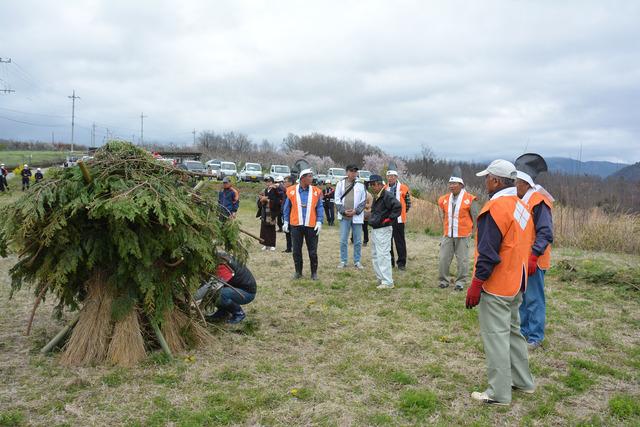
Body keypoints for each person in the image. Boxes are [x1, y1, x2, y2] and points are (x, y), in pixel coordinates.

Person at [466, 159, 535, 406]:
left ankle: (498, 393)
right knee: (514, 333)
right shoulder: (522, 206)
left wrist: (476, 283)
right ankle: (523, 381)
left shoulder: (494, 208)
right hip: (518, 281)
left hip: (497, 285)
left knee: (496, 336)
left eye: (487, 178)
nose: (485, 182)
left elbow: (488, 253)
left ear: (495, 180)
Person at [515, 153, 554, 351]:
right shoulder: (522, 199)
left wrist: (534, 255)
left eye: (517, 181)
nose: (515, 185)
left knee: (534, 298)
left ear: (525, 182)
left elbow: (546, 233)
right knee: (523, 297)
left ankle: (535, 336)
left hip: (535, 260)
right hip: (522, 259)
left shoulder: (538, 201)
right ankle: (523, 331)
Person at [437, 166, 478, 291]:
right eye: (450, 183)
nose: (451, 186)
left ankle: (460, 282)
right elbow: (444, 215)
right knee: (443, 258)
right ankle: (443, 280)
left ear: (461, 184)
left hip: (463, 234)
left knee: (463, 260)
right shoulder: (444, 199)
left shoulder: (470, 199)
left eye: (454, 183)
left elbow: (476, 217)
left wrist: (474, 232)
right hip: (448, 234)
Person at [283, 169, 324, 280]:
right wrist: (286, 221)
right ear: (303, 178)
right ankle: (298, 272)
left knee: (313, 251)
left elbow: (320, 207)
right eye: (309, 176)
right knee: (296, 250)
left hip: (311, 225)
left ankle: (314, 273)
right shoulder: (291, 190)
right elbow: (287, 207)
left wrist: (319, 221)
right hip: (296, 225)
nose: (312, 178)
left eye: (312, 176)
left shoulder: (316, 191)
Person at [195, 254, 257, 324]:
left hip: (247, 293)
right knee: (216, 292)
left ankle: (239, 313)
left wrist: (192, 298)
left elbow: (211, 286)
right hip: (234, 288)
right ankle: (223, 312)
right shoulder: (217, 258)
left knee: (218, 293)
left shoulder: (223, 265)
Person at [367, 174, 402, 289]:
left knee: (383, 255)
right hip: (376, 228)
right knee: (376, 255)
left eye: (373, 184)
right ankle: (381, 278)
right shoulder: (377, 195)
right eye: (371, 184)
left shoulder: (386, 195)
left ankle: (388, 281)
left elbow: (397, 206)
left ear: (379, 183)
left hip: (383, 229)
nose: (372, 186)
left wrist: (389, 219)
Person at [334, 165, 367, 269]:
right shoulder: (340, 184)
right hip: (344, 216)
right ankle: (343, 261)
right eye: (351, 171)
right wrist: (344, 211)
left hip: (356, 216)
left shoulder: (361, 185)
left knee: (357, 240)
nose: (353, 173)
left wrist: (356, 211)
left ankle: (357, 261)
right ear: (347, 172)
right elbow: (337, 199)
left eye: (355, 171)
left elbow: (363, 201)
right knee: (343, 239)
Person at [385, 170, 411, 270]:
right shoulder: (385, 188)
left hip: (399, 219)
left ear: (396, 177)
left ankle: (401, 263)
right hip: (388, 218)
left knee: (399, 241)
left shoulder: (403, 188)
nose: (390, 178)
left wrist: (403, 212)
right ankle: (390, 261)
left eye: (392, 176)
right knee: (388, 241)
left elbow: (408, 203)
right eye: (388, 176)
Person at [256, 176, 280, 251]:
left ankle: (272, 244)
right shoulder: (264, 190)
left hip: (271, 211)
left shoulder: (275, 190)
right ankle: (265, 244)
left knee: (271, 228)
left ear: (272, 182)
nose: (268, 183)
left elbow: (278, 201)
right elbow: (259, 202)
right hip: (264, 211)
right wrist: (261, 200)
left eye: (269, 181)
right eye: (266, 182)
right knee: (264, 228)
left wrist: (268, 200)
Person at [281, 176, 294, 253]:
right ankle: (288, 247)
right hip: (285, 213)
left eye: (285, 182)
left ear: (290, 183)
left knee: (292, 232)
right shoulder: (286, 191)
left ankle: (292, 247)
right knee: (287, 231)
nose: (284, 183)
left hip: (291, 214)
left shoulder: (292, 191)